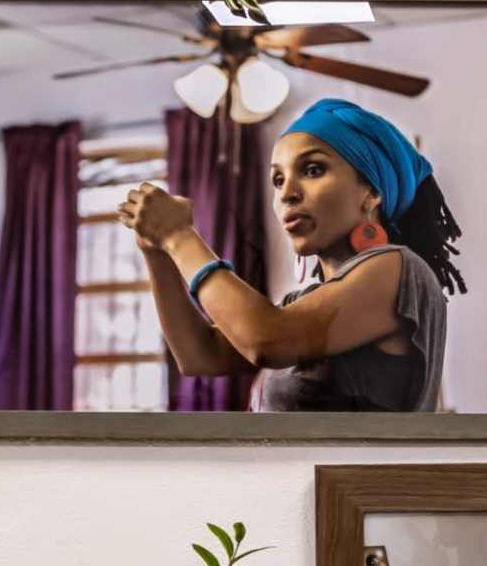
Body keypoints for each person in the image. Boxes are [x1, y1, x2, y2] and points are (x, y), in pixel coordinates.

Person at [126, 97, 467, 415]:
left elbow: (265, 340)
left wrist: (179, 237)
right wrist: (156, 251)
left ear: (372, 192)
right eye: (278, 179)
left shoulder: (398, 268)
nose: (287, 193)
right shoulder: (300, 302)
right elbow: (201, 355)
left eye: (313, 170)